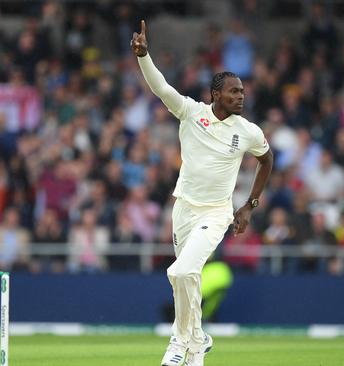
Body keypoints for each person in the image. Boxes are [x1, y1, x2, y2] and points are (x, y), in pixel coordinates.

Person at [131, 21, 273, 366]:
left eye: (242, 92)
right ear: (216, 95)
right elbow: (162, 88)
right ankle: (197, 347)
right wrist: (144, 57)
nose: (240, 97)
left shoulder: (248, 131)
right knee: (187, 279)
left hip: (216, 213)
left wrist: (249, 206)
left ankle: (178, 342)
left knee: (180, 272)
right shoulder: (192, 113)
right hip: (184, 209)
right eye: (233, 92)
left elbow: (267, 161)